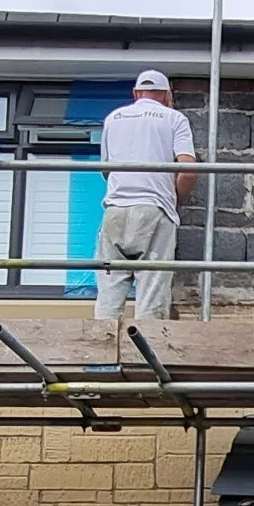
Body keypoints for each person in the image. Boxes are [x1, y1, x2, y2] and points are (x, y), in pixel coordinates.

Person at [94, 69, 196, 321]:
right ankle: (145, 358)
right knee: (152, 291)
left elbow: (106, 170)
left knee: (109, 292)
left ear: (136, 93)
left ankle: (102, 356)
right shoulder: (174, 118)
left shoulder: (113, 118)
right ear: (166, 95)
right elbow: (188, 169)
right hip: (154, 209)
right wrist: (175, 201)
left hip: (115, 211)